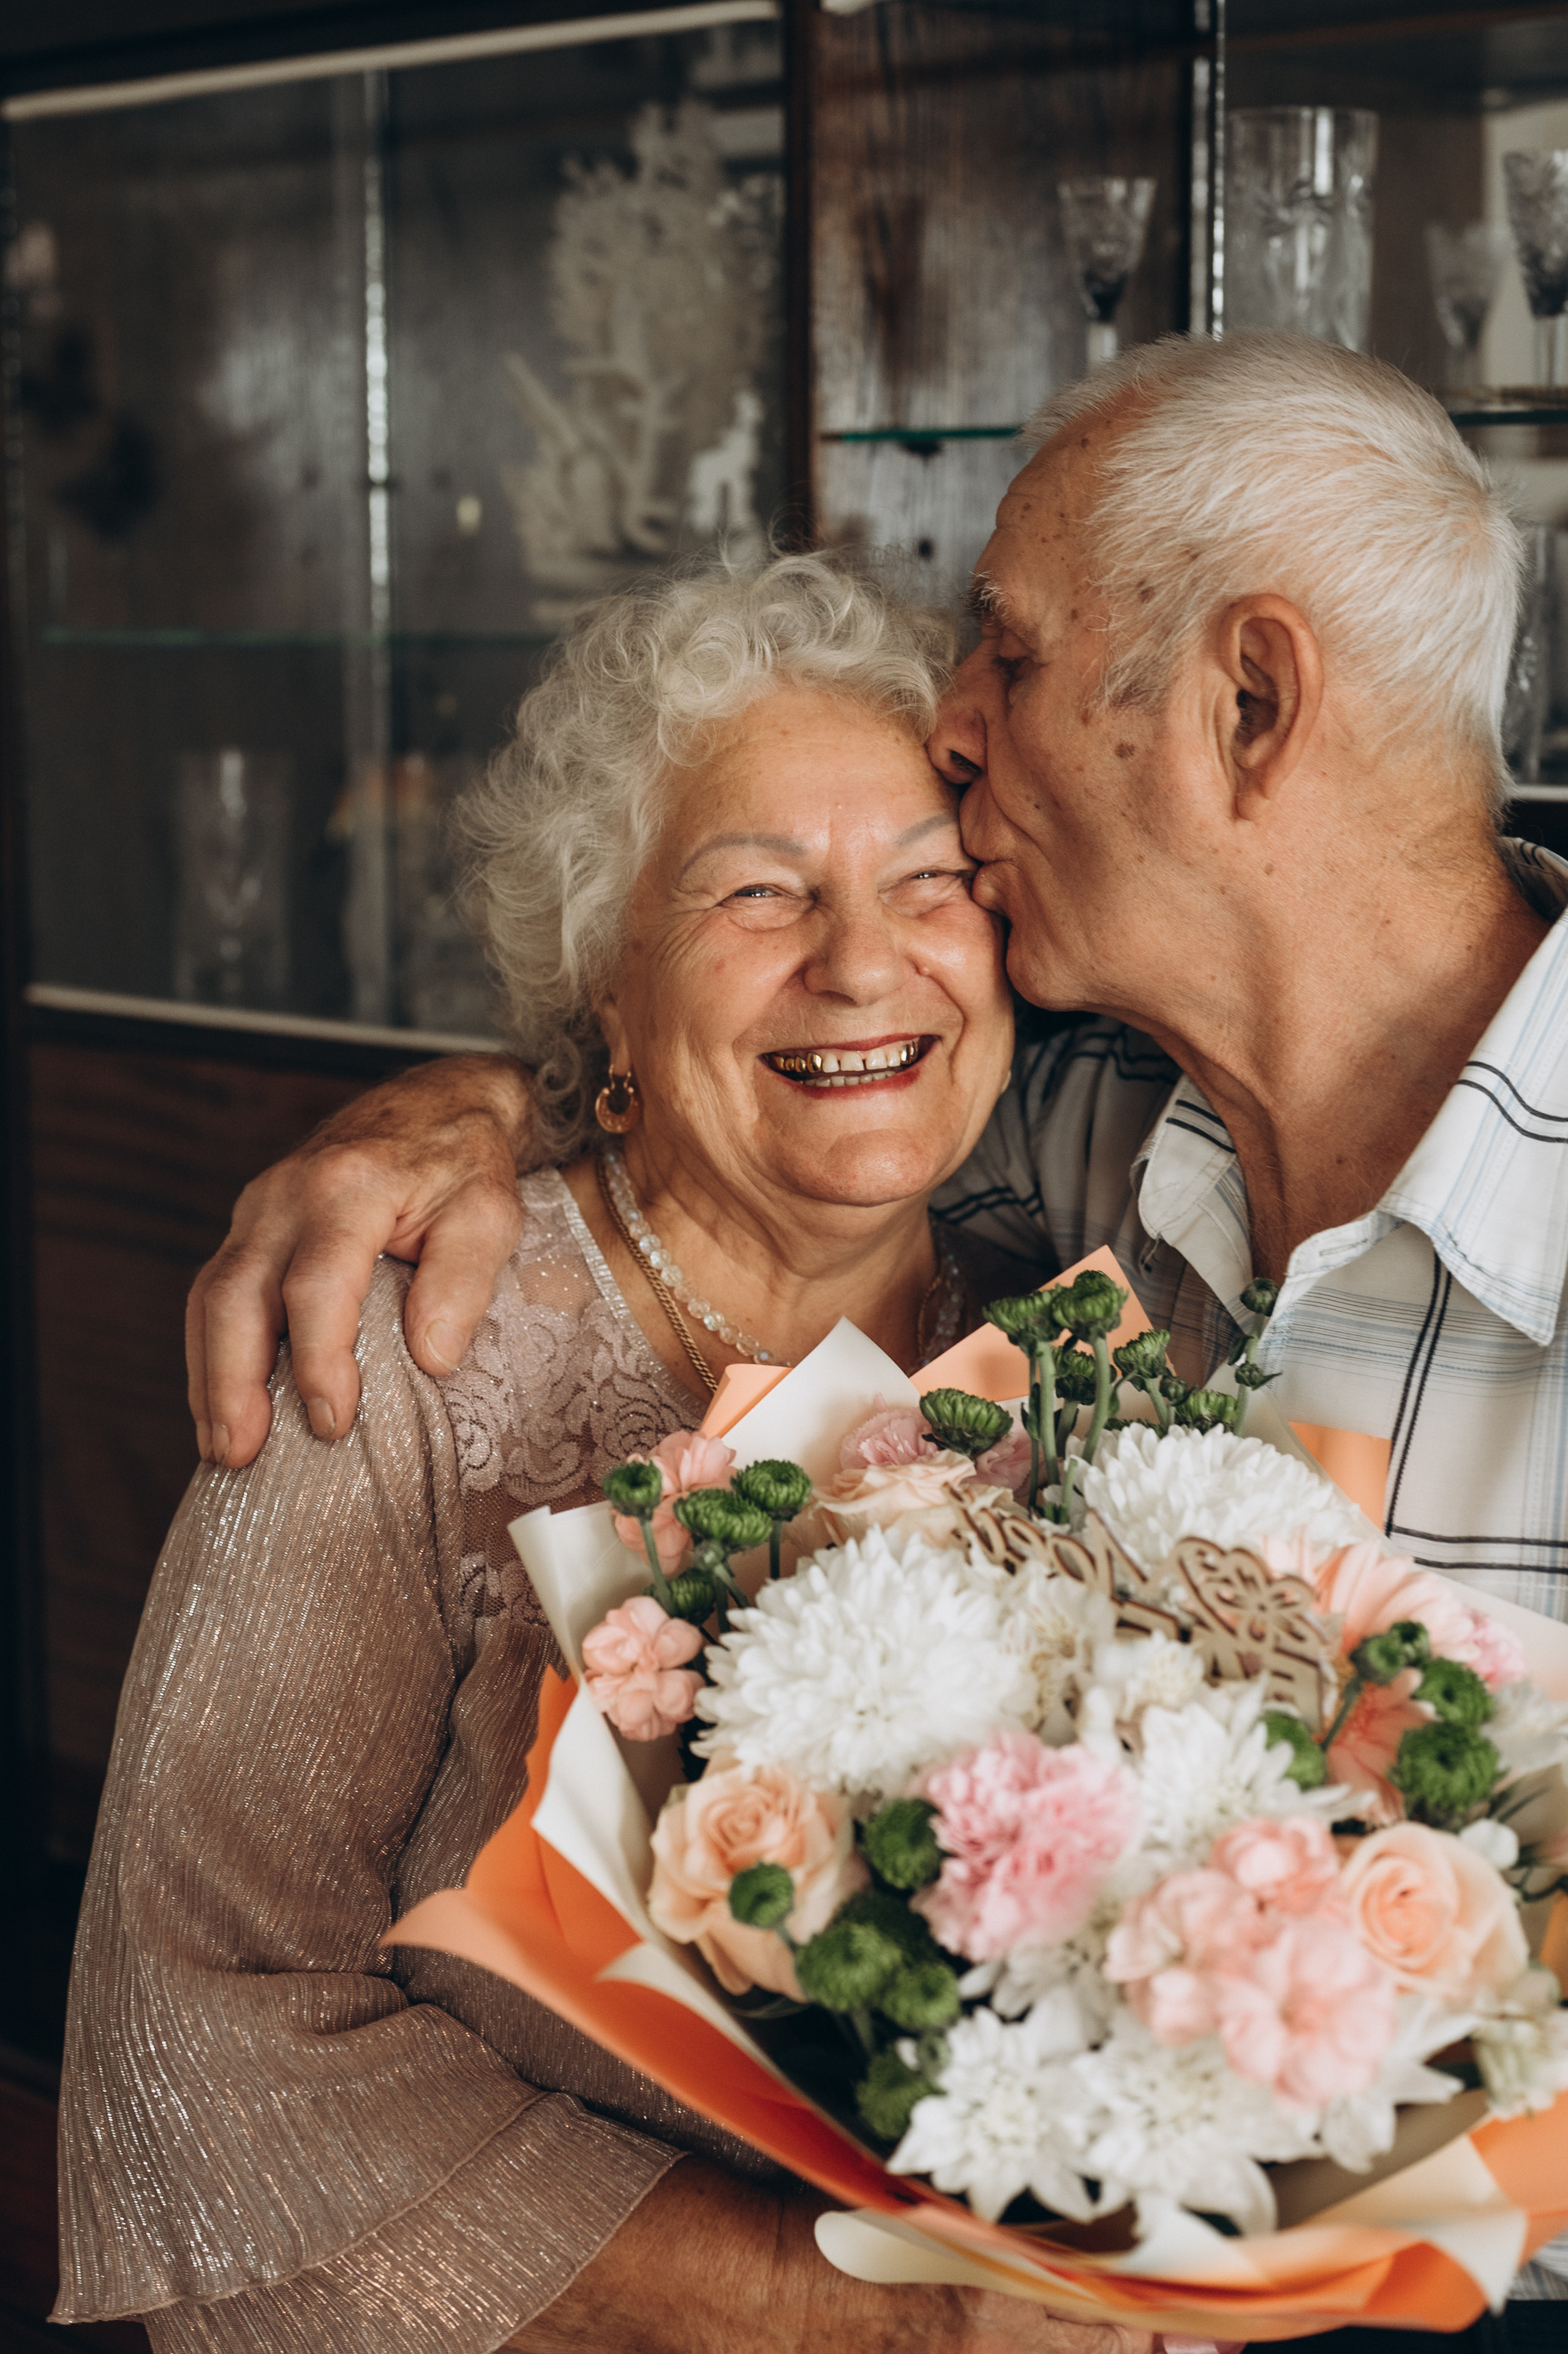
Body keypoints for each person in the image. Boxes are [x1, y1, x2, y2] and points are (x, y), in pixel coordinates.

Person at [181, 333, 1568, 2322]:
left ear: (1248, 702)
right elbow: (756, 1054)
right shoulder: (1086, 1131)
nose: (957, 729)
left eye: (1002, 652)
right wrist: (466, 1104)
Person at [57, 553, 1152, 2354]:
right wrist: (854, 2313)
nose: (862, 959)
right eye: (757, 890)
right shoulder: (404, 1354)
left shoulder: (1090, 1340)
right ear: (611, 986)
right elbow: (199, 2035)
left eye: (929, 881)